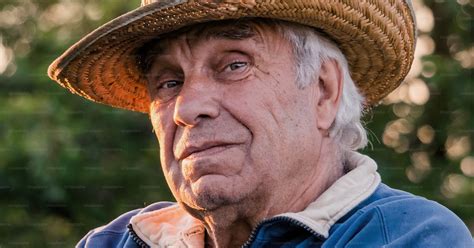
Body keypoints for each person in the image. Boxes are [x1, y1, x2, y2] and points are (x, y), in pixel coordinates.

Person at [48, 0, 472, 247]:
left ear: (324, 91)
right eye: (168, 81)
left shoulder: (407, 236)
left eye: (234, 65)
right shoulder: (116, 241)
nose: (186, 107)